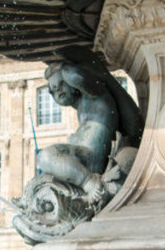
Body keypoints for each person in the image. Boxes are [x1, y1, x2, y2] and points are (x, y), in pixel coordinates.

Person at [35, 61, 143, 204]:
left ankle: (89, 181)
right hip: (82, 160)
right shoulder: (81, 109)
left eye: (61, 84)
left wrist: (67, 63)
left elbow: (78, 77)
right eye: (53, 90)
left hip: (91, 161)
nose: (58, 91)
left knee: (46, 156)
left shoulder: (96, 95)